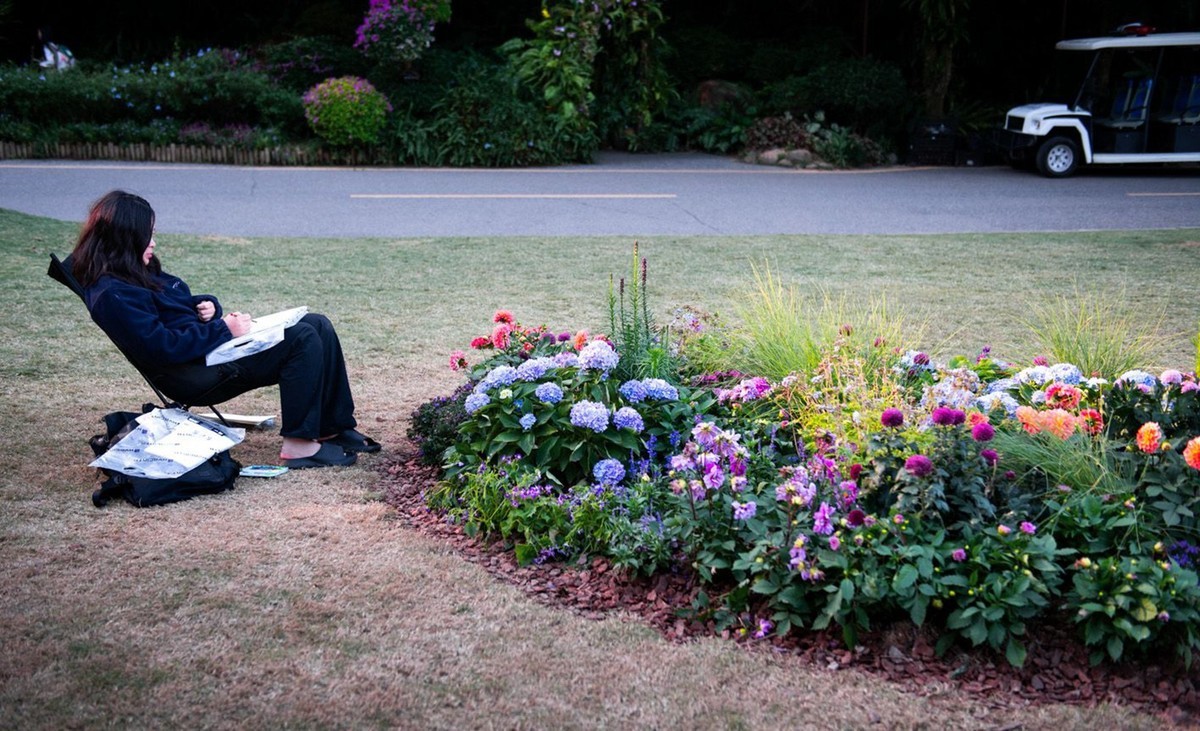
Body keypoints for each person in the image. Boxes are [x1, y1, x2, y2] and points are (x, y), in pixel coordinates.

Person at [71, 190, 380, 468]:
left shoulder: (135, 269)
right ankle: (298, 445)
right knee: (301, 338)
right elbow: (161, 346)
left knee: (316, 323)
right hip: (193, 373)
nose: (153, 242)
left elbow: (174, 305)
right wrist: (223, 330)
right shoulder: (113, 294)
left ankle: (332, 428)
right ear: (124, 238)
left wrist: (205, 308)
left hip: (208, 351)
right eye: (146, 236)